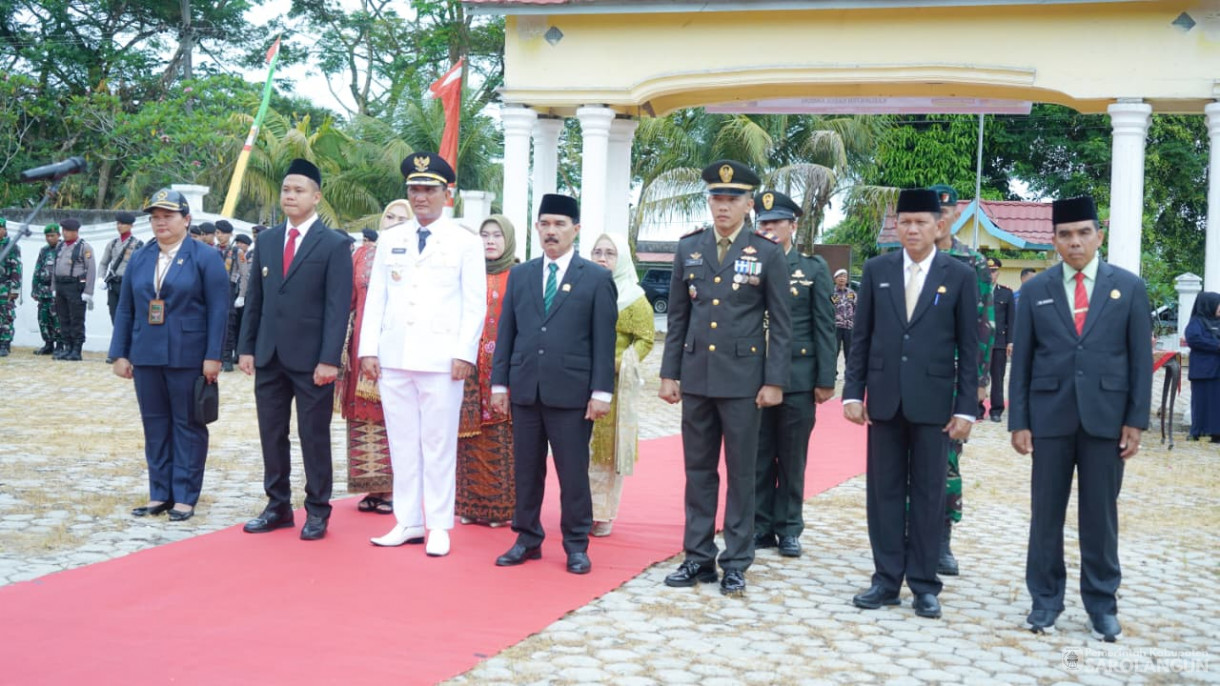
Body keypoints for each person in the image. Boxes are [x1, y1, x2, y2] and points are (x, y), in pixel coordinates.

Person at [1009, 195, 1151, 641]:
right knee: (1045, 516)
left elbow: (1139, 361)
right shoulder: (1034, 291)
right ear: (1053, 240)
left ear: (1098, 236)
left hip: (1106, 420)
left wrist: (1136, 420)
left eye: (1083, 233)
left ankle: (1102, 605)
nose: (1075, 242)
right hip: (1050, 419)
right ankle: (1045, 602)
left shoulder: (1127, 288)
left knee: (1100, 517)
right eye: (1065, 235)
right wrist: (1019, 420)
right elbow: (1024, 361)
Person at [659, 160, 792, 597]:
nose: (723, 206)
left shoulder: (766, 252)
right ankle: (698, 556)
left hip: (742, 381)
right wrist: (669, 374)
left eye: (732, 199)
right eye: (717, 198)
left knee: (741, 475)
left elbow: (782, 322)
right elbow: (678, 317)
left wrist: (774, 381)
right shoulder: (689, 249)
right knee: (698, 471)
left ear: (749, 204)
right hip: (697, 378)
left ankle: (735, 561)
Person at [844, 188, 978, 620]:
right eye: (905, 222)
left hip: (935, 403)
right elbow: (860, 338)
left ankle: (924, 585)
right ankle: (885, 580)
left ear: (939, 226)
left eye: (922, 222)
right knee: (882, 494)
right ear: (896, 227)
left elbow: (969, 347)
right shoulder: (877, 269)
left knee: (928, 494)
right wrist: (852, 392)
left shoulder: (957, 275)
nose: (913, 229)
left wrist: (965, 408)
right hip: (884, 400)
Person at [360, 155, 486, 557]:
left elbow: (475, 304)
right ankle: (408, 520)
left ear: (447, 194)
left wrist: (465, 352)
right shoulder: (391, 239)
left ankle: (439, 524)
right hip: (395, 356)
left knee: (437, 443)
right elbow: (377, 298)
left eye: (429, 189)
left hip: (440, 359)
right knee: (401, 442)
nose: (420, 197)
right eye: (414, 189)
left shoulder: (465, 241)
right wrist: (368, 349)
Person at [490, 193, 618, 575]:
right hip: (526, 389)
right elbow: (507, 332)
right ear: (536, 229)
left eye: (559, 224)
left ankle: (576, 544)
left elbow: (603, 340)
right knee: (526, 470)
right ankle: (527, 538)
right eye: (545, 224)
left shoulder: (596, 278)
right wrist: (500, 385)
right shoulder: (522, 274)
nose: (551, 231)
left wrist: (601, 392)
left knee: (572, 473)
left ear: (575, 230)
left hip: (573, 395)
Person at [238, 158, 353, 541]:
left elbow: (338, 307)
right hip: (269, 355)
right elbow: (255, 297)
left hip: (311, 361)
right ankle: (277, 506)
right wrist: (247, 347)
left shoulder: (335, 244)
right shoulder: (268, 240)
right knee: (272, 433)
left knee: (313, 435)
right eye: (286, 189)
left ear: (316, 197)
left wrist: (329, 360)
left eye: (299, 190)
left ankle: (318, 509)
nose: (290, 195)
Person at [109, 189, 230, 521]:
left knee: (188, 424)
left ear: (186, 220)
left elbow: (219, 311)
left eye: (168, 216)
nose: (160, 223)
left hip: (188, 354)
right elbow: (126, 308)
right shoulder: (141, 256)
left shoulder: (205, 257)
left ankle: (185, 495)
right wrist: (120, 353)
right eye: (155, 217)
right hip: (147, 352)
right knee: (155, 425)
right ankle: (159, 492)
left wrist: (213, 356)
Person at [751, 191, 836, 558]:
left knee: (791, 456)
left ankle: (788, 528)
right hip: (754, 375)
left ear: (793, 226)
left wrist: (826, 379)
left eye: (775, 223)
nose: (768, 228)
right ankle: (759, 525)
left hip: (799, 377)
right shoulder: (749, 264)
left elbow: (825, 326)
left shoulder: (812, 269)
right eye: (763, 223)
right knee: (756, 454)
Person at [929, 184, 994, 578]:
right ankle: (908, 534)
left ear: (955, 214)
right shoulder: (904, 259)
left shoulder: (973, 264)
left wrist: (979, 382)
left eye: (946, 211)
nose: (939, 217)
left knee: (948, 460)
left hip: (955, 379)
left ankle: (941, 540)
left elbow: (984, 326)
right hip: (914, 376)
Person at [334, 202, 405, 518]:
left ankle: (396, 488)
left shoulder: (419, 259)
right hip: (362, 352)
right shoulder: (363, 256)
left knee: (395, 420)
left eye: (404, 219)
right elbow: (346, 300)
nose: (395, 223)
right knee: (363, 419)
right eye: (390, 216)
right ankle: (373, 487)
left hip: (400, 352)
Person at [587, 233, 655, 538]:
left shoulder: (633, 299)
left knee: (607, 450)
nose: (602, 258)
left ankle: (603, 514)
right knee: (582, 449)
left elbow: (646, 339)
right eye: (597, 252)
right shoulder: (582, 290)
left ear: (622, 259)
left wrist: (621, 362)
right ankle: (581, 509)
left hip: (615, 384)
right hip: (581, 381)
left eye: (610, 253)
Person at [456, 215, 519, 527]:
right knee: (467, 439)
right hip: (468, 371)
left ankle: (501, 508)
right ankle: (468, 505)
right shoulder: (466, 273)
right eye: (485, 234)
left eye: (497, 235)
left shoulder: (519, 275)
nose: (490, 240)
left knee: (501, 438)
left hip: (502, 372)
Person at [52, 218, 96, 362]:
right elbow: (55, 268)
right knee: (63, 318)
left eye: (68, 231)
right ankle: (67, 347)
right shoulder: (60, 246)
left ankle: (76, 349)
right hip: (61, 286)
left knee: (76, 319)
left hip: (75, 286)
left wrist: (88, 292)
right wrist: (53, 287)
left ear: (75, 232)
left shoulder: (84, 247)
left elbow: (91, 270)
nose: (65, 233)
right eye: (63, 230)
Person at [1185, 292, 1220, 442]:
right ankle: (1197, 430)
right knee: (1200, 401)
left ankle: (1216, 432)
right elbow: (1194, 339)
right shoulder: (1196, 322)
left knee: (1217, 401)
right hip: (1202, 368)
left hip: (1217, 369)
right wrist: (1217, 345)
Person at [985, 258, 1016, 422]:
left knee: (997, 377)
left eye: (994, 271)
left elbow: (1011, 320)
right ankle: (976, 407)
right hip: (980, 342)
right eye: (989, 271)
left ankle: (996, 410)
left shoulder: (1006, 293)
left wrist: (1010, 342)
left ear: (999, 272)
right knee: (977, 376)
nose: (991, 274)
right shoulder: (977, 291)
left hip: (998, 342)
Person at [100, 212, 143, 326]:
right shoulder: (113, 244)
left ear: (131, 226)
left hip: (128, 285)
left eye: (123, 224)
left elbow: (141, 268)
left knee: (129, 316)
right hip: (114, 284)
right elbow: (104, 263)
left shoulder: (138, 245)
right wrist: (100, 277)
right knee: (114, 315)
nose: (119, 226)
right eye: (118, 223)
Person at [31, 224, 62, 355]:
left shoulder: (63, 249)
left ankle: (60, 345)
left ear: (58, 235)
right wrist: (34, 288)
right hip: (43, 290)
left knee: (57, 318)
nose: (49, 238)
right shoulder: (44, 250)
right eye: (47, 236)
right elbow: (37, 269)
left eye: (52, 236)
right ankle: (48, 344)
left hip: (56, 290)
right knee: (43, 318)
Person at [0, 219, 21, 357]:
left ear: (5, 230)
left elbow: (16, 267)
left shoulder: (11, 245)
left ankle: (4, 344)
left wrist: (14, 289)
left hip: (5, 286)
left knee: (6, 316)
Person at [831, 268, 856, 368]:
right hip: (836, 326)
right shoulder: (832, 293)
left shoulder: (851, 293)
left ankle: (849, 374)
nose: (842, 279)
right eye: (839, 276)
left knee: (849, 352)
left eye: (844, 276)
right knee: (834, 351)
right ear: (835, 279)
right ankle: (832, 373)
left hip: (849, 327)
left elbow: (856, 307)